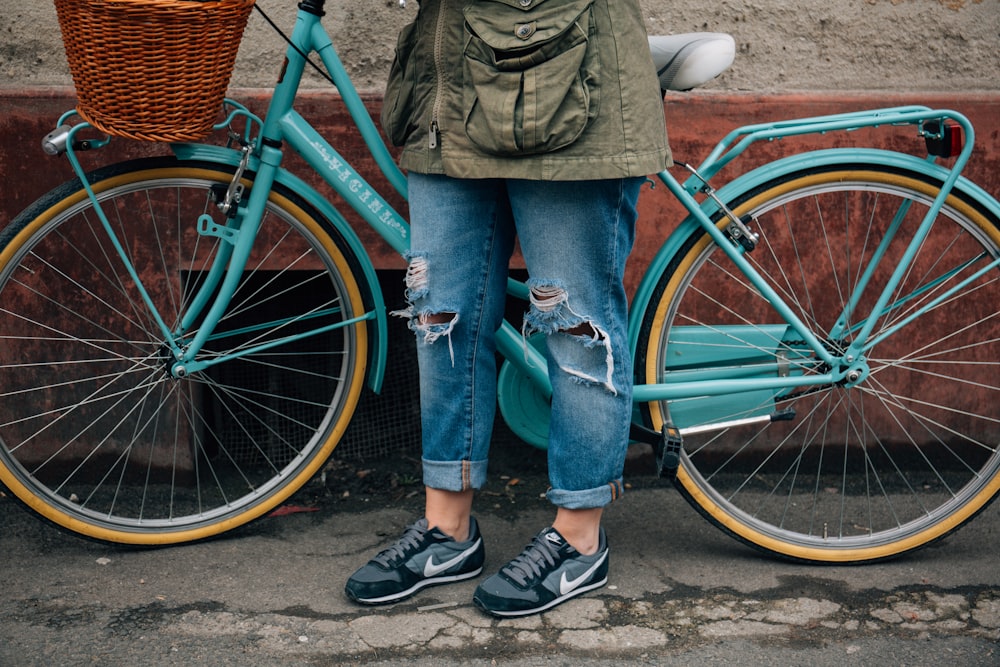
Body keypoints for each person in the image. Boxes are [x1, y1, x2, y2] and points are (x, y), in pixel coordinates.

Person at [345, 0, 671, 617]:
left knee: (574, 324)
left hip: (566, 85)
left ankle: (580, 535)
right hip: (447, 99)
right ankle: (448, 530)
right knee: (440, 318)